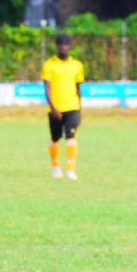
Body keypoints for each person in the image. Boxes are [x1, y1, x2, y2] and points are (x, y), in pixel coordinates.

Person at [41, 34, 85, 180]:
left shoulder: (77, 65)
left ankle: (71, 170)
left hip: (72, 107)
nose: (63, 47)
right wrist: (53, 108)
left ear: (69, 46)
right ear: (57, 46)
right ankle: (55, 167)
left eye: (66, 44)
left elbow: (79, 88)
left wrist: (79, 109)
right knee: (55, 138)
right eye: (60, 44)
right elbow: (46, 88)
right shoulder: (49, 64)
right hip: (55, 109)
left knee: (71, 137)